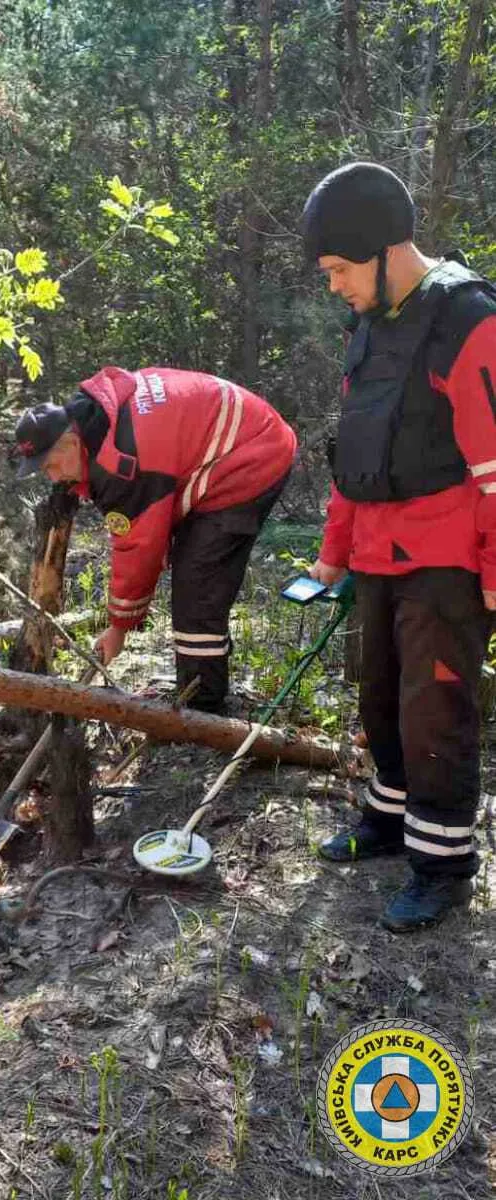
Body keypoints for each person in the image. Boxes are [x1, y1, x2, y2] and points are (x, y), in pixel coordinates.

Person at [301, 161, 496, 931]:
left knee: (434, 710)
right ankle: (387, 820)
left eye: (341, 270)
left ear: (386, 251)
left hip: (447, 560)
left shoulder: (470, 322)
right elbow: (357, 452)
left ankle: (443, 864)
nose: (334, 287)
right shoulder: (372, 325)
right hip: (379, 553)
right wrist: (332, 552)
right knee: (378, 698)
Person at [13, 366, 297, 712]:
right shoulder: (98, 417)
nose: (54, 478)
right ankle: (197, 689)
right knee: (192, 567)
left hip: (252, 453)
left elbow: (139, 548)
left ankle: (202, 708)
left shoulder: (124, 461)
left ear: (72, 442)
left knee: (197, 584)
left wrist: (119, 627)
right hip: (236, 438)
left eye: (50, 466)